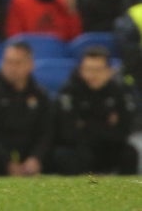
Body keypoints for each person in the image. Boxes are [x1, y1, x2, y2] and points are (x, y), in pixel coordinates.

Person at [50, 46, 138, 175]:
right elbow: (68, 132)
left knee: (130, 153)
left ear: (109, 71)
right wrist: (105, 126)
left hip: (109, 148)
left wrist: (86, 125)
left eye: (98, 70)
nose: (92, 75)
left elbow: (124, 130)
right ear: (81, 70)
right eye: (88, 69)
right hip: (79, 149)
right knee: (66, 155)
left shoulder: (119, 92)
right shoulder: (69, 92)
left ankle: (125, 191)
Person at [0, 41, 52, 176]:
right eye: (8, 62)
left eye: (17, 63)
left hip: (28, 151)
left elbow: (46, 130)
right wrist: (7, 161)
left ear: (30, 65)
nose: (12, 68)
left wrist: (36, 157)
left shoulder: (40, 94)